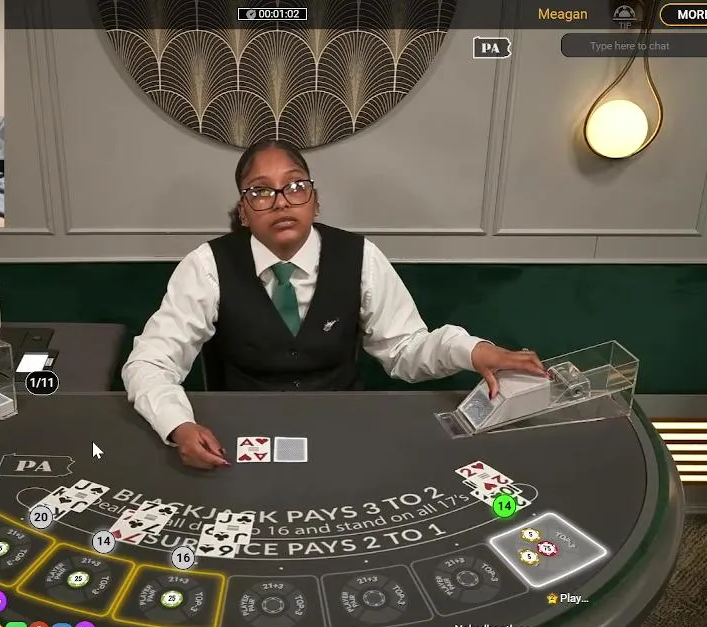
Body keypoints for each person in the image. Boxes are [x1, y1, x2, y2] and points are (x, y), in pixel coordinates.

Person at [122, 139, 548, 470]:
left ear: (315, 200)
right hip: (237, 438)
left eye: (295, 186)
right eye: (261, 191)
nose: (281, 201)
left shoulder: (360, 257)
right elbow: (150, 363)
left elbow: (405, 349)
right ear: (244, 212)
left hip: (343, 430)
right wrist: (178, 425)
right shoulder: (206, 266)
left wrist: (471, 350)